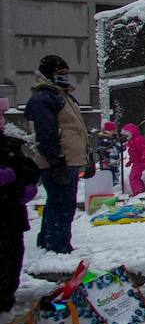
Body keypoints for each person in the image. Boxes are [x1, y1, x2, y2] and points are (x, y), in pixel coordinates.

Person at [24, 55, 88, 254]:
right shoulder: (45, 98)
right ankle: (57, 245)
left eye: (67, 73)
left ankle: (49, 241)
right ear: (49, 74)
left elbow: (76, 130)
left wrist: (87, 157)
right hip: (59, 161)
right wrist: (56, 160)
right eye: (61, 73)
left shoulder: (62, 96)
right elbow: (47, 133)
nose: (65, 77)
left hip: (68, 158)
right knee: (62, 203)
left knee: (60, 202)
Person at [0, 109, 40, 324]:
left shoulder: (9, 146)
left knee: (8, 270)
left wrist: (24, 184)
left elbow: (29, 169)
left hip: (9, 217)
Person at [122, 124, 145, 196]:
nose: (125, 137)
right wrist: (130, 161)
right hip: (137, 162)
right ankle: (141, 189)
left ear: (131, 133)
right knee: (135, 176)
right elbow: (133, 153)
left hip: (141, 162)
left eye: (126, 135)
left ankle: (138, 192)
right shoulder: (131, 141)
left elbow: (143, 149)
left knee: (133, 177)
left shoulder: (138, 140)